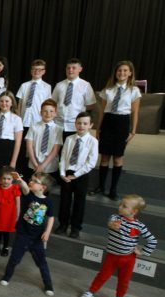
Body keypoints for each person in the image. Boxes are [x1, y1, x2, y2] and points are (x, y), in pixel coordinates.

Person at [79, 195, 157, 297]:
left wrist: (142, 252)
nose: (120, 207)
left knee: (124, 281)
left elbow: (152, 240)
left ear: (134, 211)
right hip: (112, 256)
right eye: (120, 204)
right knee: (102, 276)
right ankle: (91, 292)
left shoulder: (139, 226)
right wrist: (113, 225)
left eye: (124, 206)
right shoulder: (115, 217)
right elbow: (111, 223)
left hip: (128, 259)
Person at [89, 61, 141, 201]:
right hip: (108, 122)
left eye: (125, 71)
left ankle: (113, 189)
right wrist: (99, 128)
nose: (122, 73)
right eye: (119, 71)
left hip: (122, 123)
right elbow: (102, 113)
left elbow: (135, 113)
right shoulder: (108, 90)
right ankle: (101, 186)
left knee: (118, 158)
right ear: (115, 73)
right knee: (104, 157)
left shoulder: (134, 90)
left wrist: (133, 131)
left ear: (130, 73)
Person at [0, 172, 56, 296]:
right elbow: (25, 187)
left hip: (37, 238)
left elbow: (51, 217)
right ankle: (6, 276)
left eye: (35, 181)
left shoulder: (48, 202)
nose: (31, 182)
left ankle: (48, 285)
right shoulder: (28, 195)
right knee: (14, 258)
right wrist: (20, 180)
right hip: (23, 235)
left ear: (43, 188)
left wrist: (47, 232)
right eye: (31, 179)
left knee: (42, 262)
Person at [56, 112, 98, 239]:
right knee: (65, 200)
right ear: (75, 124)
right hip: (67, 173)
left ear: (90, 125)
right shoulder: (69, 139)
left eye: (85, 123)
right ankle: (63, 224)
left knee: (79, 202)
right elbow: (63, 157)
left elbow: (91, 162)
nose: (81, 126)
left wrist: (77, 175)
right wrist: (62, 173)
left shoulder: (93, 141)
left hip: (81, 174)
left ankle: (75, 227)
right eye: (79, 123)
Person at [16, 59, 52, 172]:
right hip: (24, 122)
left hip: (37, 123)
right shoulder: (24, 85)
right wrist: (18, 120)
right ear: (31, 71)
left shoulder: (47, 87)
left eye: (39, 70)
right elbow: (19, 105)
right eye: (34, 69)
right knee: (22, 149)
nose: (36, 71)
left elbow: (47, 105)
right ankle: (21, 172)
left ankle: (34, 171)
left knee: (35, 149)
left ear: (43, 71)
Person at [52, 58, 96, 140]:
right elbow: (52, 103)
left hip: (75, 126)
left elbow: (91, 105)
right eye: (68, 68)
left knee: (72, 150)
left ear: (80, 69)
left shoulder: (85, 85)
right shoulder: (59, 85)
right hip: (58, 125)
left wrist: (80, 109)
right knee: (58, 150)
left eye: (73, 68)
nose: (70, 70)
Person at [25, 98, 63, 181]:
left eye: (51, 111)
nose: (48, 114)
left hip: (49, 165)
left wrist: (42, 166)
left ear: (56, 113)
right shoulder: (34, 126)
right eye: (45, 111)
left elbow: (55, 150)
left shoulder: (58, 129)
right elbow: (29, 146)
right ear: (40, 112)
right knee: (33, 187)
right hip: (33, 164)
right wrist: (36, 165)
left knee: (46, 190)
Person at [0, 166, 21, 257]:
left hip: (10, 215)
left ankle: (5, 247)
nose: (6, 181)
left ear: (12, 179)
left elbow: (18, 204)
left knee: (6, 233)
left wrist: (17, 216)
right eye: (4, 178)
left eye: (9, 179)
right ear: (0, 178)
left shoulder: (15, 188)